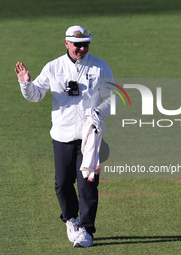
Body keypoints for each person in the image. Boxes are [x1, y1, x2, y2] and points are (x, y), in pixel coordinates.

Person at [14, 25, 115, 247]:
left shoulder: (100, 67)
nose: (82, 48)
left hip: (90, 136)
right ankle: (71, 219)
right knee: (62, 183)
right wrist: (25, 83)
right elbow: (36, 95)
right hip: (62, 135)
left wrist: (98, 112)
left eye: (86, 44)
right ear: (66, 43)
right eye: (77, 45)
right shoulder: (53, 67)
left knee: (87, 183)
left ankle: (87, 231)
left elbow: (112, 98)